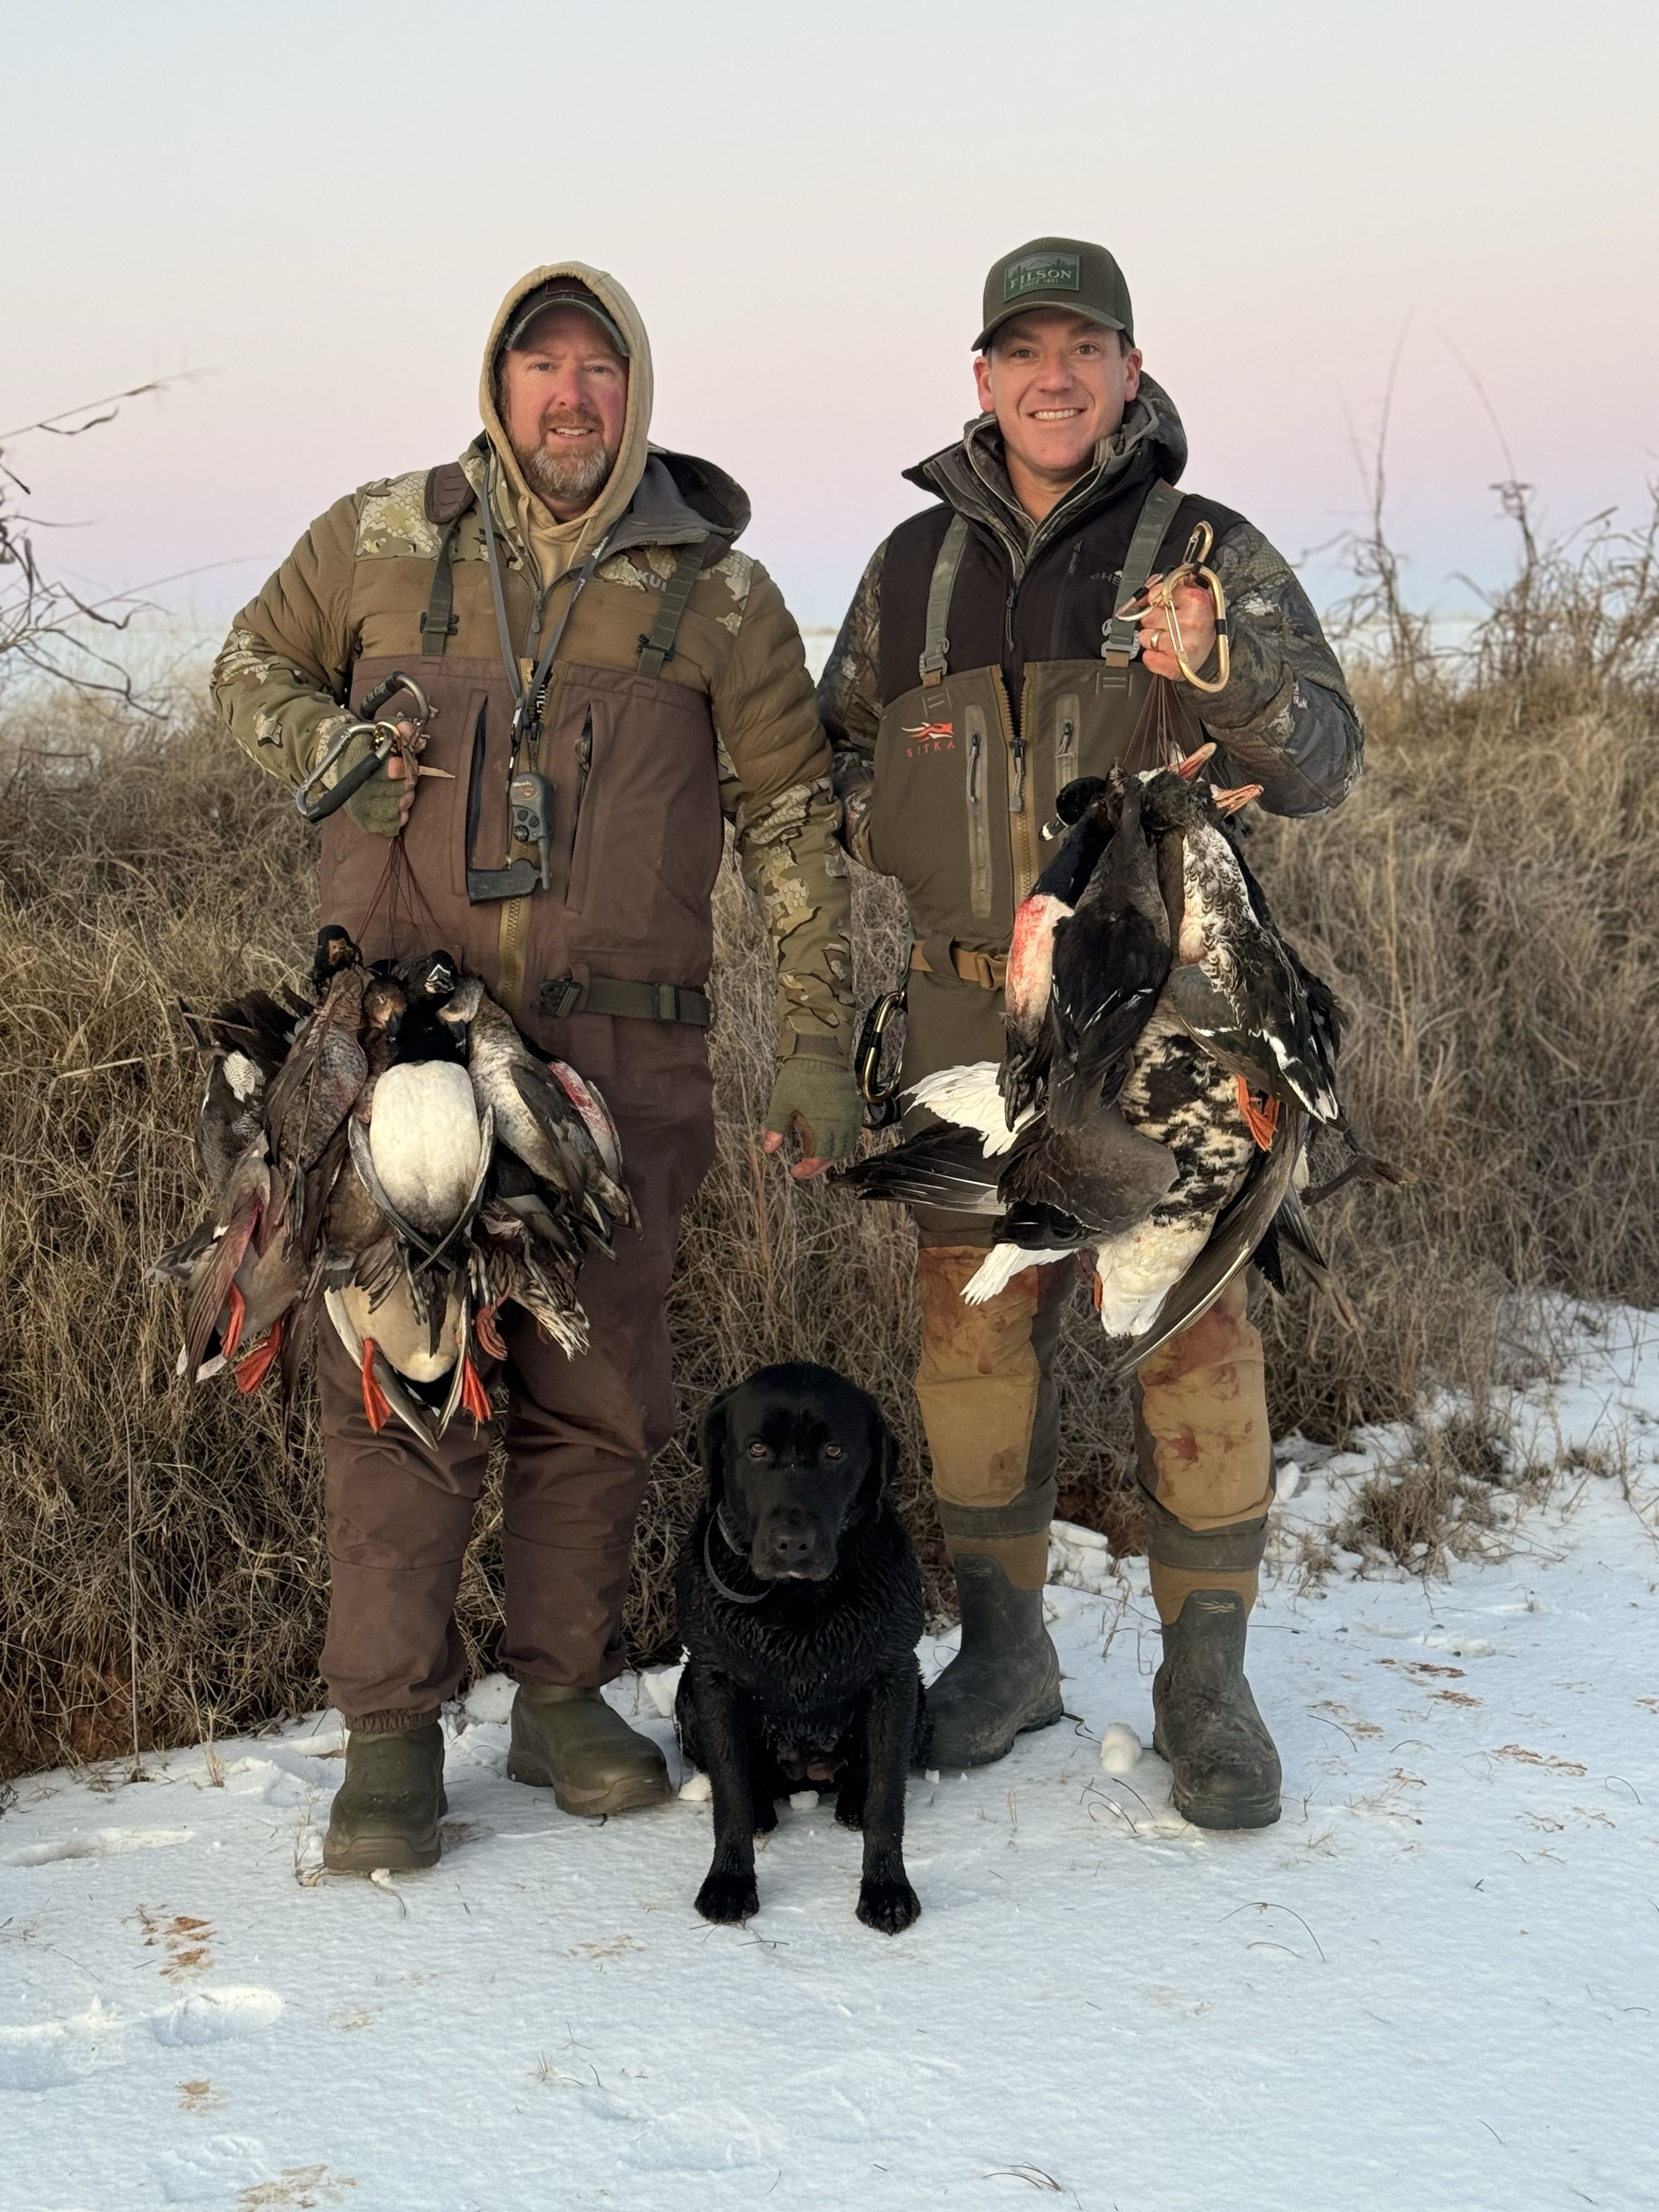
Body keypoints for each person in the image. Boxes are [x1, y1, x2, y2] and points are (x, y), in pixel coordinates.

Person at [213, 262, 863, 1870]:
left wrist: (813, 1048)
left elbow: (793, 820)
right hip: (402, 1059)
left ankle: (560, 1696)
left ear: (636, 391)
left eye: (599, 371)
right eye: (541, 368)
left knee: (599, 1396)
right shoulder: (380, 540)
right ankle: (391, 1736)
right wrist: (329, 755)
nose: (570, 398)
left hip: (625, 1062)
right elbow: (246, 671)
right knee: (399, 1385)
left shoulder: (719, 592)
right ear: (498, 387)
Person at [819, 237, 1362, 1825]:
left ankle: (1208, 1683)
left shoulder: (1205, 548)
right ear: (979, 379)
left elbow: (1323, 755)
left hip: (1168, 1016)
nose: (1055, 379)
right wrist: (899, 836)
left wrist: (1224, 666)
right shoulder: (911, 569)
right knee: (970, 1333)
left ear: (1130, 371)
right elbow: (843, 747)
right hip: (964, 1007)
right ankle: (1002, 1655)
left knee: (1188, 1330)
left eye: (1087, 349)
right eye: (1024, 352)